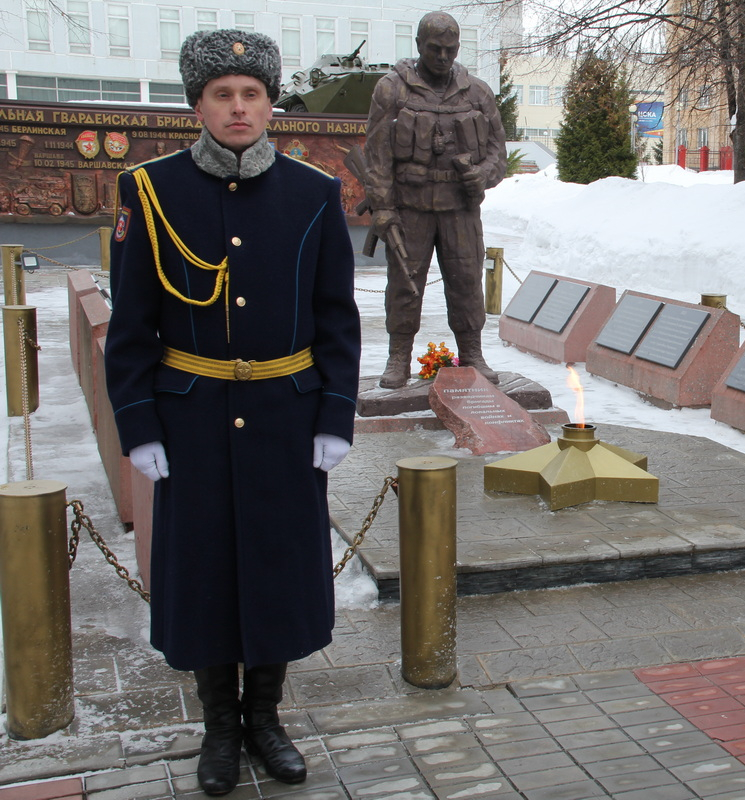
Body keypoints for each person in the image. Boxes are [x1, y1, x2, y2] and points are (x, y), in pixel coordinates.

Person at [104, 29, 361, 797]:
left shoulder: (313, 194)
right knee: (206, 574)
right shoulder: (150, 191)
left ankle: (268, 720)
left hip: (285, 416)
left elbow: (336, 317)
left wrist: (333, 416)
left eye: (252, 93)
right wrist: (140, 426)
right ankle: (219, 727)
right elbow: (131, 328)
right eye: (224, 94)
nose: (240, 108)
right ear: (199, 105)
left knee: (278, 571)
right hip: (192, 422)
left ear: (271, 102)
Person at [364, 10, 507, 388]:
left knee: (466, 282)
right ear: (418, 46)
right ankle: (399, 358)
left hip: (460, 208)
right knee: (404, 285)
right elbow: (376, 155)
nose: (443, 57)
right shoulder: (391, 89)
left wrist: (483, 175)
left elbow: (497, 153)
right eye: (434, 49)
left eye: (450, 49)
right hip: (410, 207)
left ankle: (472, 353)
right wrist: (382, 206)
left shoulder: (477, 92)